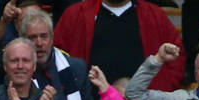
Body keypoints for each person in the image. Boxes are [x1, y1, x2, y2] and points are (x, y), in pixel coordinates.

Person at [53, 0, 185, 91]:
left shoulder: (155, 15)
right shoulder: (75, 15)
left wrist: (164, 86)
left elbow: (176, 56)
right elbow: (57, 57)